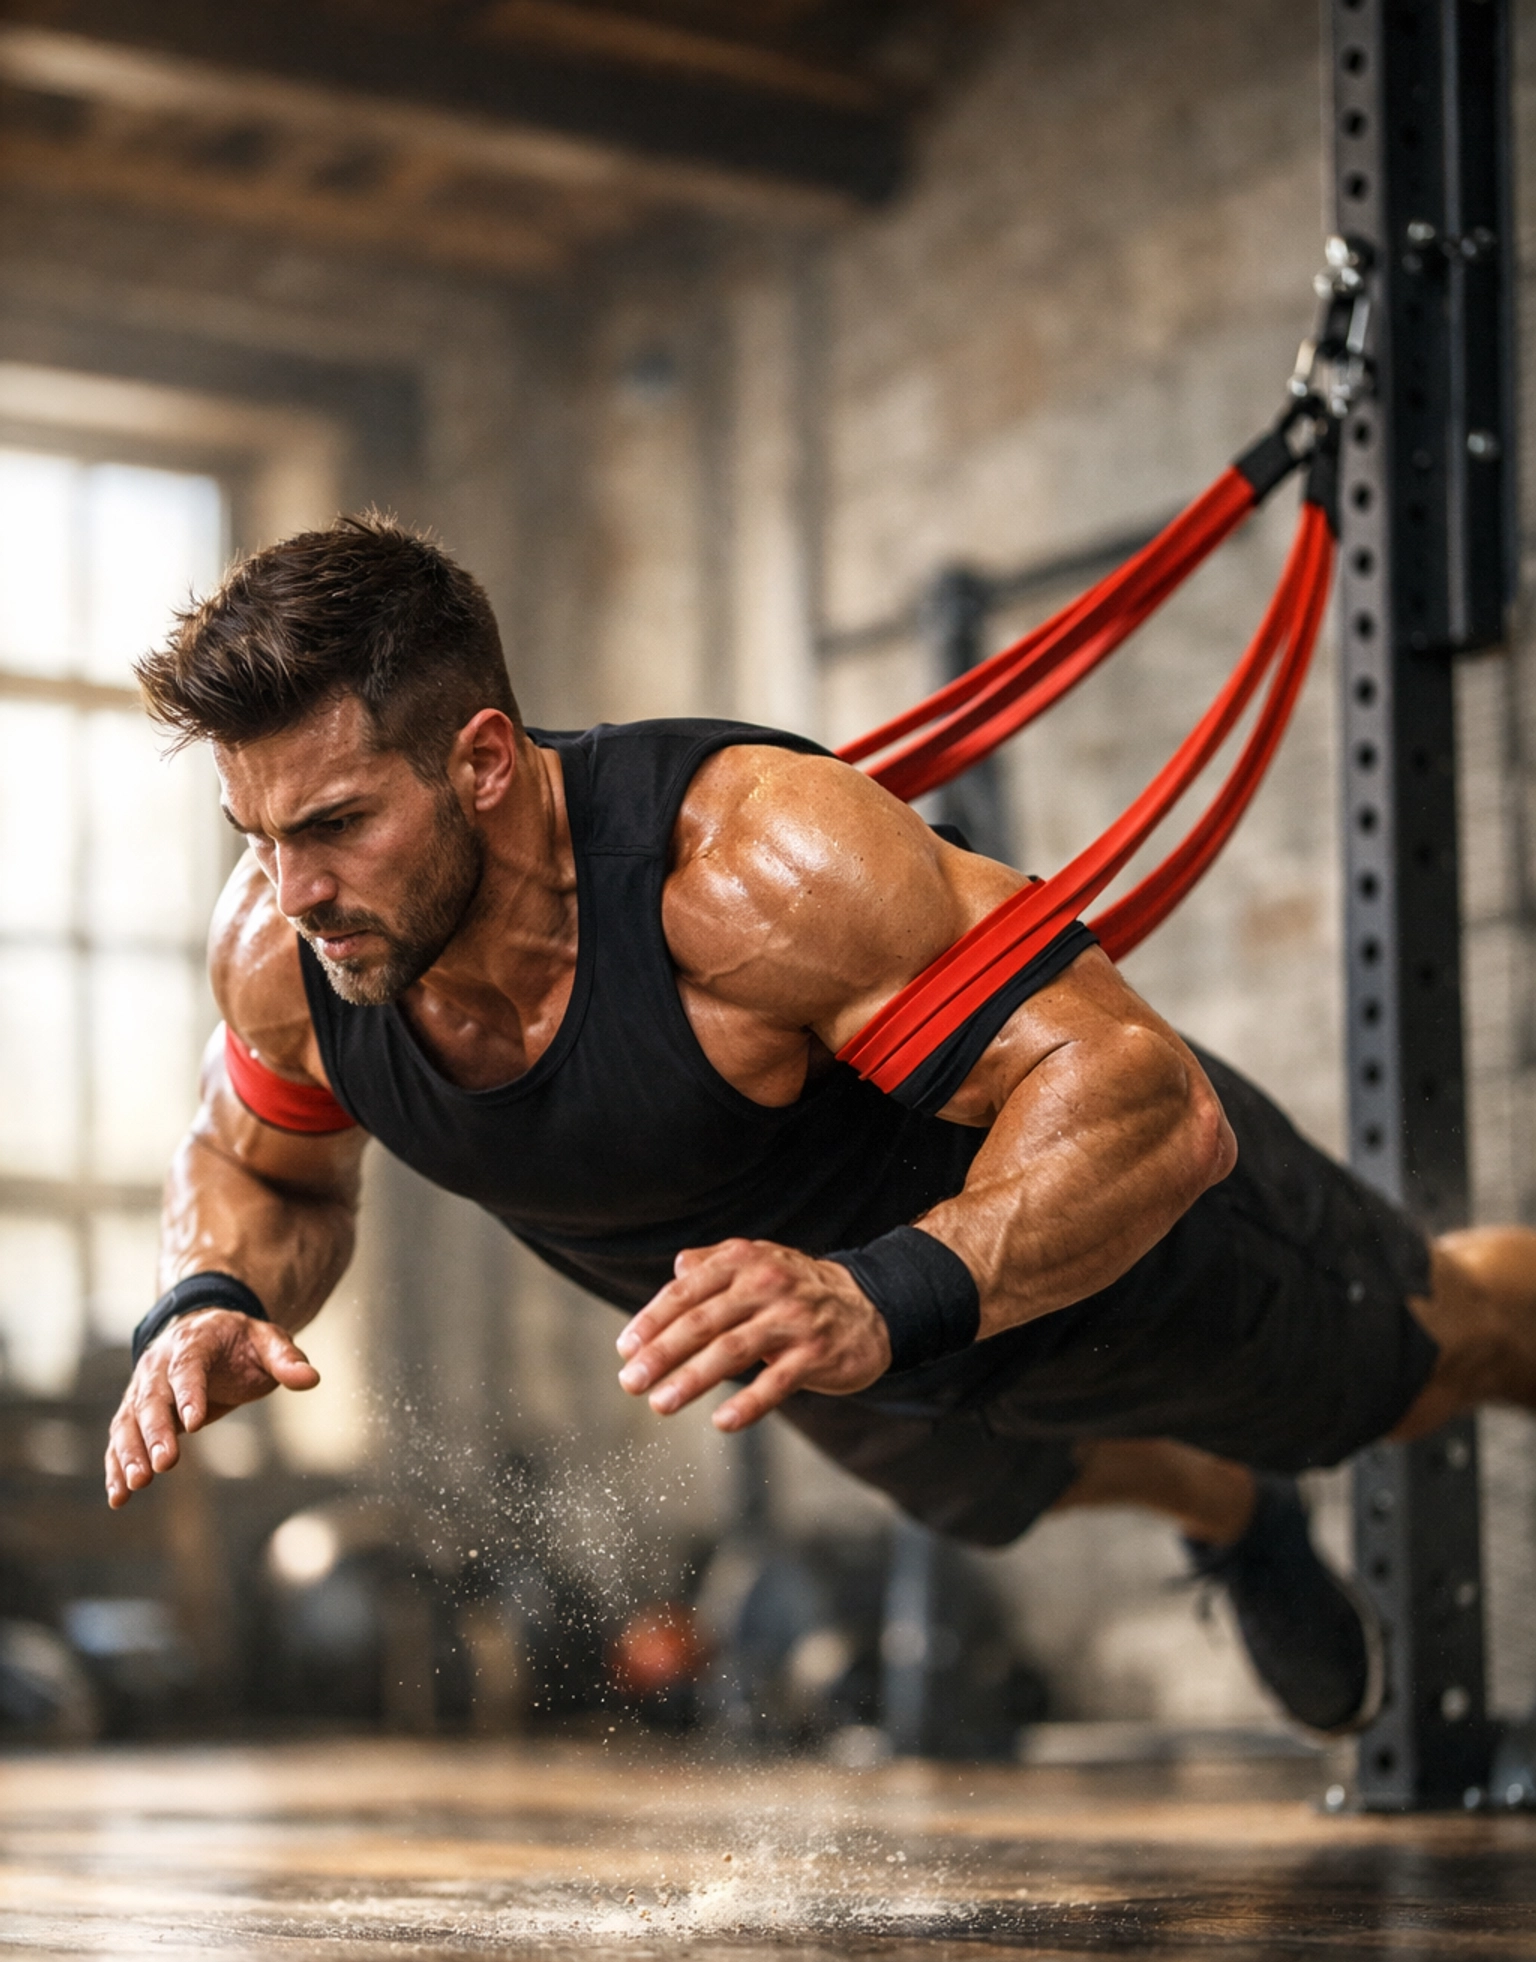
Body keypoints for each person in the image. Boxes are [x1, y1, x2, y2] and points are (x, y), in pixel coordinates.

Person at [106, 515, 1536, 1736]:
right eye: (259, 836)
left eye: (338, 824)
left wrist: (878, 1287)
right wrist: (214, 1295)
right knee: (1013, 1484)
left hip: (1083, 1240)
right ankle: (1238, 1518)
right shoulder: (290, 957)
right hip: (843, 1351)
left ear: (482, 760)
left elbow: (1150, 1103)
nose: (292, 890)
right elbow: (258, 1167)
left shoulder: (749, 868)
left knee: (1428, 1357)